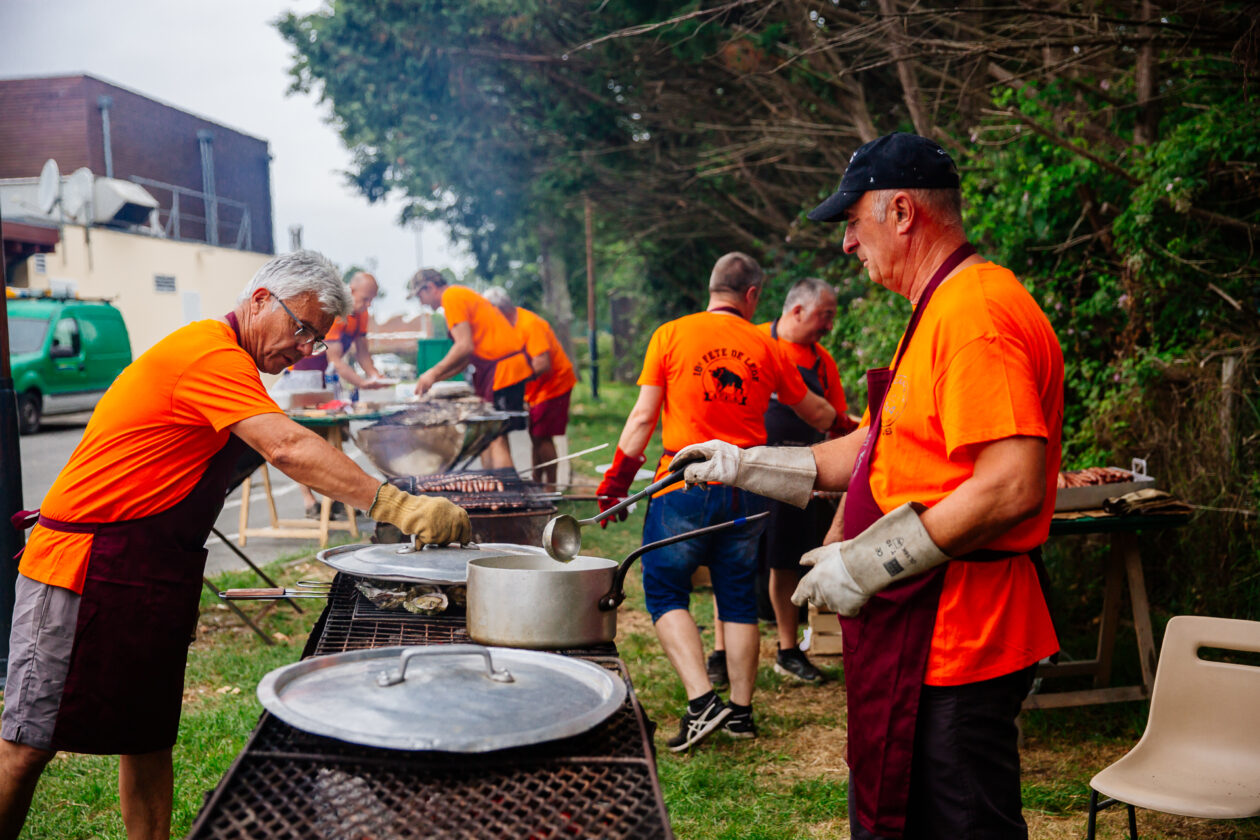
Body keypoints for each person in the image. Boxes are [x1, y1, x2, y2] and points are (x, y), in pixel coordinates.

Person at [0, 251, 471, 840]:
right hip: (84, 568)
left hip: (149, 570)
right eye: (302, 328)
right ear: (260, 300)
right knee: (27, 745)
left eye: (317, 339)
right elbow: (287, 447)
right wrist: (399, 505)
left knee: (147, 737)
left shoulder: (236, 366)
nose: (306, 349)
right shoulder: (210, 353)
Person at [676, 133, 1063, 839]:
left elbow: (1012, 485)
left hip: (960, 635)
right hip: (918, 629)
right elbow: (878, 445)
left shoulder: (975, 315)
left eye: (854, 222)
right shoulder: (938, 307)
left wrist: (868, 563)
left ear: (904, 212)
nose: (848, 242)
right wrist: (745, 463)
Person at [598, 252, 836, 752]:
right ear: (752, 295)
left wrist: (616, 484)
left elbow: (641, 419)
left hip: (683, 483)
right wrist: (856, 427)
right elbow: (816, 412)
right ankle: (741, 713)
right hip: (747, 487)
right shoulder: (767, 346)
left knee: (665, 592)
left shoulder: (670, 334)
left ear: (713, 288)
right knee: (738, 597)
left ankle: (702, 701)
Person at [708, 277, 857, 687]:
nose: (830, 325)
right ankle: (721, 652)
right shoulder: (754, 342)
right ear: (797, 310)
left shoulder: (823, 363)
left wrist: (834, 467)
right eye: (825, 315)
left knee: (787, 561)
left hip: (798, 476)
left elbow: (836, 421)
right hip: (745, 469)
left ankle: (788, 650)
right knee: (731, 559)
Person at [409, 270, 531, 470]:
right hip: (497, 369)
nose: (421, 302)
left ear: (430, 287)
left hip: (504, 370)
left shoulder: (451, 297)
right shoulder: (458, 295)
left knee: (495, 435)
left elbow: (463, 346)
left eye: (419, 296)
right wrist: (435, 378)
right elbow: (465, 358)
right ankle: (493, 486)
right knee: (488, 434)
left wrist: (432, 373)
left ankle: (506, 487)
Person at [293, 270, 389, 518]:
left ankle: (334, 497)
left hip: (329, 378)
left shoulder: (361, 314)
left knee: (333, 439)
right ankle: (309, 500)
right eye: (365, 299)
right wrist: (362, 383)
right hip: (305, 374)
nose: (367, 305)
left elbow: (363, 353)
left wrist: (376, 377)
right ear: (351, 291)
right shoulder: (337, 312)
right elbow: (335, 359)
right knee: (305, 439)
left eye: (371, 300)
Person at [483, 286, 577, 485]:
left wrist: (514, 385)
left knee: (542, 436)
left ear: (499, 309)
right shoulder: (509, 325)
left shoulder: (529, 324)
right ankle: (537, 480)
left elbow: (542, 363)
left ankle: (551, 486)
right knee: (535, 436)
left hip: (554, 385)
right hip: (537, 390)